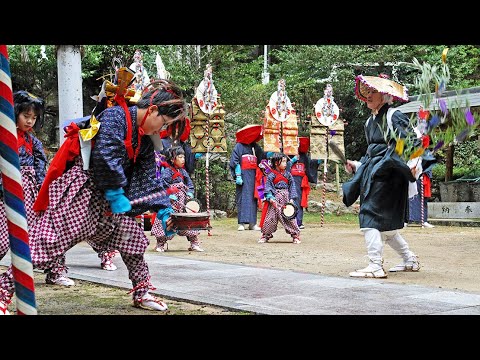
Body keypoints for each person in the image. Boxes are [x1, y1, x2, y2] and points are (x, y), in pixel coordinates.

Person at [10, 80, 186, 312]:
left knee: (132, 239)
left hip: (110, 200)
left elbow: (147, 175)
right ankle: (3, 291)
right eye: (164, 123)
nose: (161, 130)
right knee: (47, 245)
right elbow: (105, 155)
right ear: (153, 110)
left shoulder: (144, 137)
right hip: (84, 192)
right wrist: (114, 191)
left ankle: (142, 292)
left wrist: (163, 210)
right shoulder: (115, 116)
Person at [343, 74, 421, 278]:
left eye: (373, 92)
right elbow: (371, 153)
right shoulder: (370, 122)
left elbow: (411, 142)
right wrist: (357, 164)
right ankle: (409, 259)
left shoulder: (393, 115)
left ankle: (375, 265)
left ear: (385, 96)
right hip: (375, 173)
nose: (368, 95)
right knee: (384, 224)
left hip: (390, 174)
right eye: (367, 92)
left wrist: (412, 166)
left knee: (370, 215)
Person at [0, 91, 47, 315]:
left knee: (24, 240)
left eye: (34, 117)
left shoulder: (34, 142)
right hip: (5, 194)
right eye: (26, 115)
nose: (30, 121)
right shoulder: (4, 136)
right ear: (15, 112)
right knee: (1, 240)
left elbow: (40, 169)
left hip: (27, 195)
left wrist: (41, 193)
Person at [151, 146, 204, 252]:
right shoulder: (167, 172)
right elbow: (162, 185)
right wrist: (169, 194)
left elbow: (189, 184)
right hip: (170, 204)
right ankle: (160, 244)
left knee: (189, 222)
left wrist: (189, 193)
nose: (183, 159)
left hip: (183, 204)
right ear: (172, 159)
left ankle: (194, 243)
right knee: (166, 221)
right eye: (180, 157)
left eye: (183, 157)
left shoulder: (184, 172)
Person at [258, 152, 301, 244]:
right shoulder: (271, 175)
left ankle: (295, 235)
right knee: (270, 218)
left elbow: (292, 187)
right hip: (274, 199)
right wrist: (270, 197)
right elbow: (268, 187)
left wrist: (292, 199)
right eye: (284, 162)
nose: (286, 164)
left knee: (290, 218)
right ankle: (265, 235)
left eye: (286, 161)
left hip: (286, 198)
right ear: (277, 163)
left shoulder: (288, 175)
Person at [229, 124, 264, 231]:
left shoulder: (255, 147)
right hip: (243, 176)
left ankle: (252, 223)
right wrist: (238, 175)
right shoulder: (238, 146)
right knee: (243, 198)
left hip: (253, 176)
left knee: (254, 198)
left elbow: (262, 158)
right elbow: (234, 161)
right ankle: (241, 223)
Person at [289, 137, 321, 229]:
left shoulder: (304, 156)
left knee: (300, 200)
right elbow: (284, 166)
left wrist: (318, 161)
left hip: (301, 181)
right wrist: (292, 161)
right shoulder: (289, 154)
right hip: (291, 179)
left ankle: (299, 221)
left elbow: (310, 164)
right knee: (291, 199)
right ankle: (291, 220)